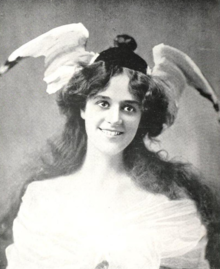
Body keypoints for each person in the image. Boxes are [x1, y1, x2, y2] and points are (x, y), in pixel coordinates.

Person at [1, 35, 219, 269]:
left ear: (141, 116)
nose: (115, 119)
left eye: (128, 107)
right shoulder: (42, 200)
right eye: (103, 103)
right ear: (83, 108)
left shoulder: (166, 209)